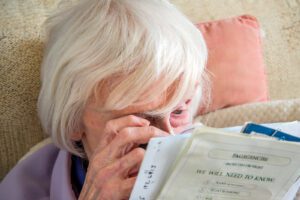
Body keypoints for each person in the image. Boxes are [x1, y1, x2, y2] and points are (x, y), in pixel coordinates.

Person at [0, 0, 208, 199]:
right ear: (73, 121)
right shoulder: (24, 190)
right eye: (138, 123)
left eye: (178, 111)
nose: (168, 138)